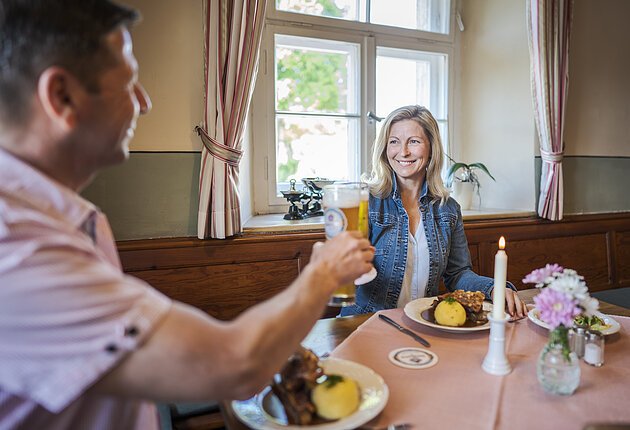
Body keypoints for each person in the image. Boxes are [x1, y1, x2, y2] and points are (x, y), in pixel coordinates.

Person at [0, 1, 374, 429]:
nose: (144, 102)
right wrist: (325, 274)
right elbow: (234, 363)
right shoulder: (17, 250)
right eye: (130, 82)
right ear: (62, 95)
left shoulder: (63, 216)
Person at [340, 105, 527, 318]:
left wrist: (494, 288)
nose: (403, 152)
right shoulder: (366, 202)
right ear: (385, 149)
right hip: (363, 323)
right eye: (394, 142)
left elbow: (457, 274)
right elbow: (344, 267)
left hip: (421, 323)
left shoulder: (448, 209)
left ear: (431, 149)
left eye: (414, 141)